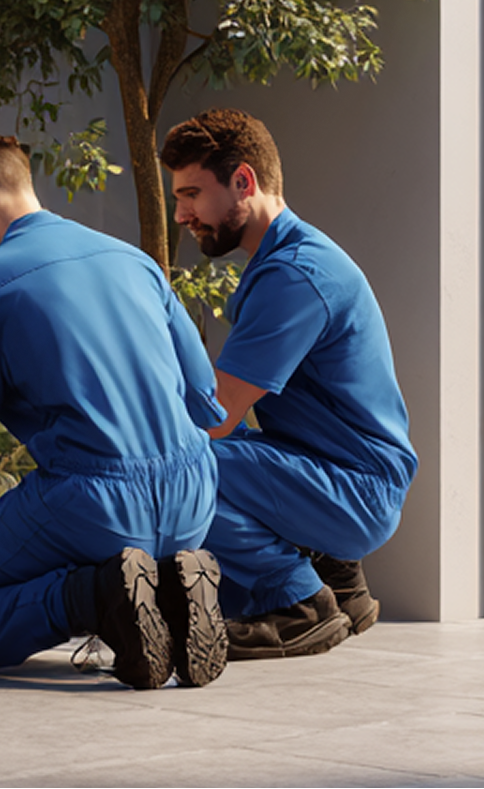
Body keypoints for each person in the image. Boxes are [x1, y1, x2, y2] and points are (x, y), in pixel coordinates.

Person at [0, 131, 228, 690]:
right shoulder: (136, 261)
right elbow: (204, 400)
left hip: (94, 502)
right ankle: (169, 586)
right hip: (194, 493)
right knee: (103, 542)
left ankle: (91, 597)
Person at [159, 108, 416, 661]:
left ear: (243, 182)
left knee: (180, 464)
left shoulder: (296, 275)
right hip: (334, 467)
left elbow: (218, 415)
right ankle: (336, 577)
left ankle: (300, 606)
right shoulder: (281, 258)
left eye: (191, 194)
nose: (180, 214)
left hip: (357, 490)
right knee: (206, 454)